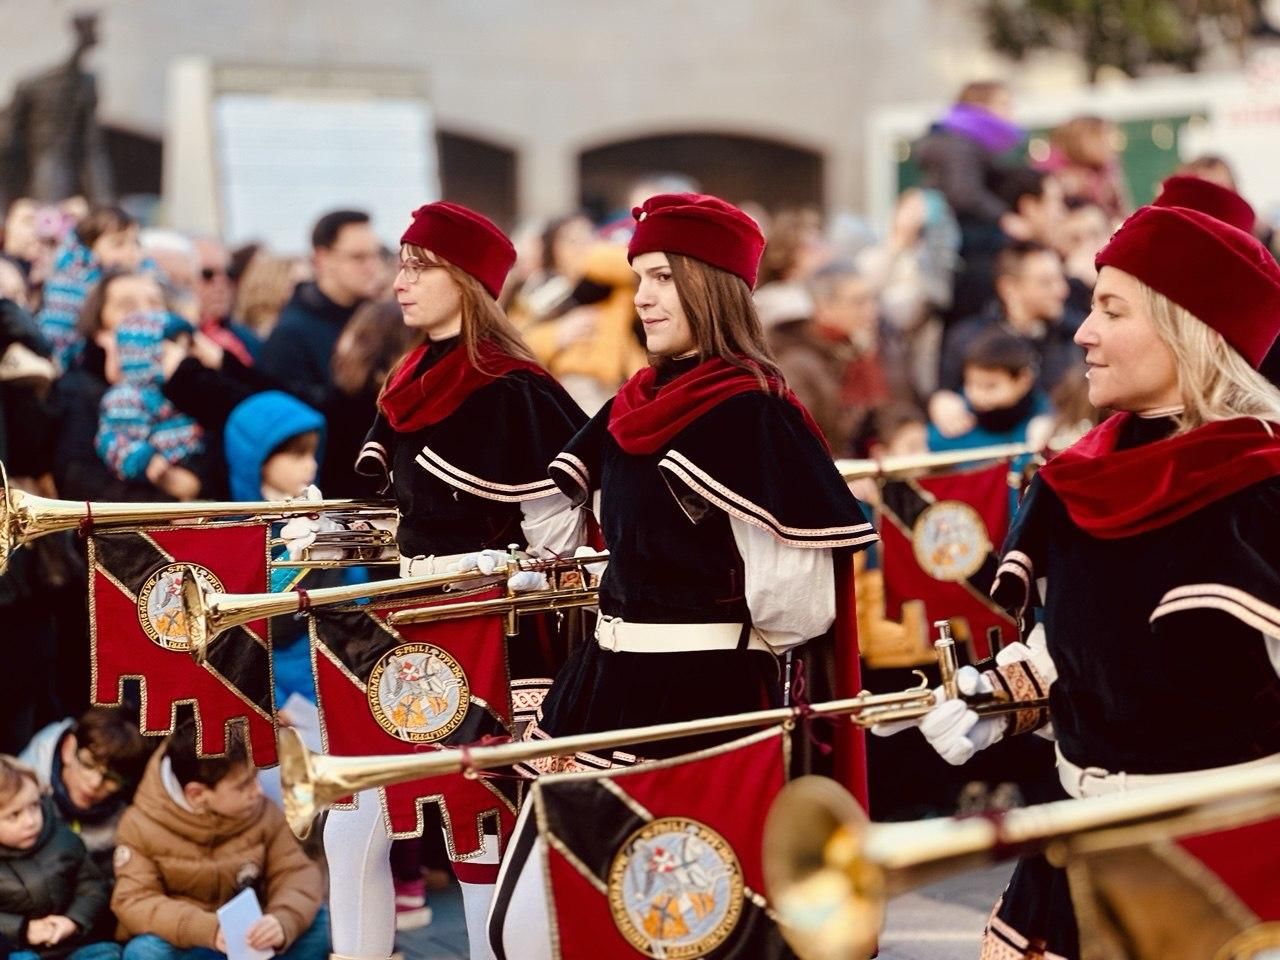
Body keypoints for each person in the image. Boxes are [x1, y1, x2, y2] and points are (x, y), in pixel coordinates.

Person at [875, 203, 1280, 959]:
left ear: (1188, 331)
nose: (1082, 332)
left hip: (1224, 877)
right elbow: (1090, 654)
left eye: (1110, 310)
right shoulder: (1082, 476)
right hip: (1073, 850)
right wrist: (1007, 696)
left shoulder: (1261, 490)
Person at [490, 193, 877, 957]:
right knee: (528, 924)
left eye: (663, 276)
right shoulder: (635, 399)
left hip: (702, 699)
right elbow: (556, 523)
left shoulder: (756, 413)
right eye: (639, 278)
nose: (644, 297)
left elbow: (797, 607)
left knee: (677, 930)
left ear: (710, 284)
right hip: (599, 682)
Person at [306, 201, 589, 960]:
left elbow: (560, 534)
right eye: (400, 262)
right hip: (409, 617)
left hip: (493, 630)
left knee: (478, 833)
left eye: (419, 264)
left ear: (465, 282)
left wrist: (502, 574)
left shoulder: (516, 390)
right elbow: (400, 516)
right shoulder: (408, 378)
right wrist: (320, 531)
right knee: (354, 812)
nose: (401, 280)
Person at [111, 720, 327, 960]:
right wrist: (207, 930)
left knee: (322, 924)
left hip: (252, 939)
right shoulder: (139, 825)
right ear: (197, 794)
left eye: (255, 777)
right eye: (243, 785)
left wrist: (281, 920)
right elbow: (134, 901)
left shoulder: (262, 810)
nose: (257, 791)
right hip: (192, 943)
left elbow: (296, 871)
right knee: (145, 951)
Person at [933, 240, 1082, 436]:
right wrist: (940, 402)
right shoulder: (966, 339)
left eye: (1061, 279)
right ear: (1009, 288)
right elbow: (945, 394)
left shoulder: (1077, 336)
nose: (1062, 291)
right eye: (1046, 282)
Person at [259, 210, 384, 411]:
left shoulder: (378, 319)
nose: (372, 267)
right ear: (322, 258)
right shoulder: (290, 335)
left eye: (375, 255)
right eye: (358, 257)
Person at [0, 756, 119, 960]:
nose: (30, 821)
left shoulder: (62, 837)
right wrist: (22, 929)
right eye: (14, 815)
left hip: (73, 943)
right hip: (17, 949)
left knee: (108, 953)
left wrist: (74, 921)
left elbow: (92, 885)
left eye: (34, 805)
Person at [17, 707, 151, 876]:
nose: (95, 784)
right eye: (88, 764)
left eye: (112, 778)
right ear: (68, 748)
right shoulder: (15, 791)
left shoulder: (125, 827)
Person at [94, 312, 207, 500]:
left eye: (186, 349)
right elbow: (111, 440)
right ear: (146, 355)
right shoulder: (123, 398)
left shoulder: (182, 392)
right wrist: (144, 460)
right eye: (169, 351)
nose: (183, 357)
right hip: (151, 489)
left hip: (191, 470)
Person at [37, 207, 142, 372]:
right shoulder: (69, 285)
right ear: (89, 247)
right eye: (118, 244)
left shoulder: (143, 282)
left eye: (136, 242)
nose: (131, 252)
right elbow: (56, 346)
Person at [928, 330, 1053, 453]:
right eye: (971, 384)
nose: (978, 395)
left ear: (1023, 380)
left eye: (990, 386)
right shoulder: (956, 420)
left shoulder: (1046, 421)